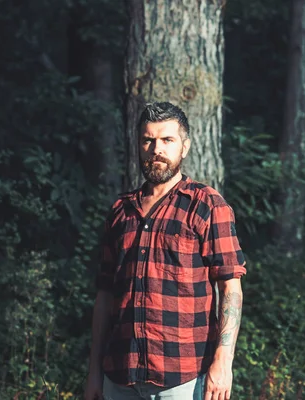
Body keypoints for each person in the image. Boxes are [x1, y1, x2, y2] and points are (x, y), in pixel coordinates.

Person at [84, 102, 246, 400]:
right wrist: (94, 371)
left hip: (182, 379)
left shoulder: (207, 205)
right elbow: (105, 295)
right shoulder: (120, 211)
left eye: (167, 140)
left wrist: (223, 362)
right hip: (119, 377)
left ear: (184, 147)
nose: (156, 148)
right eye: (148, 140)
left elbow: (230, 288)